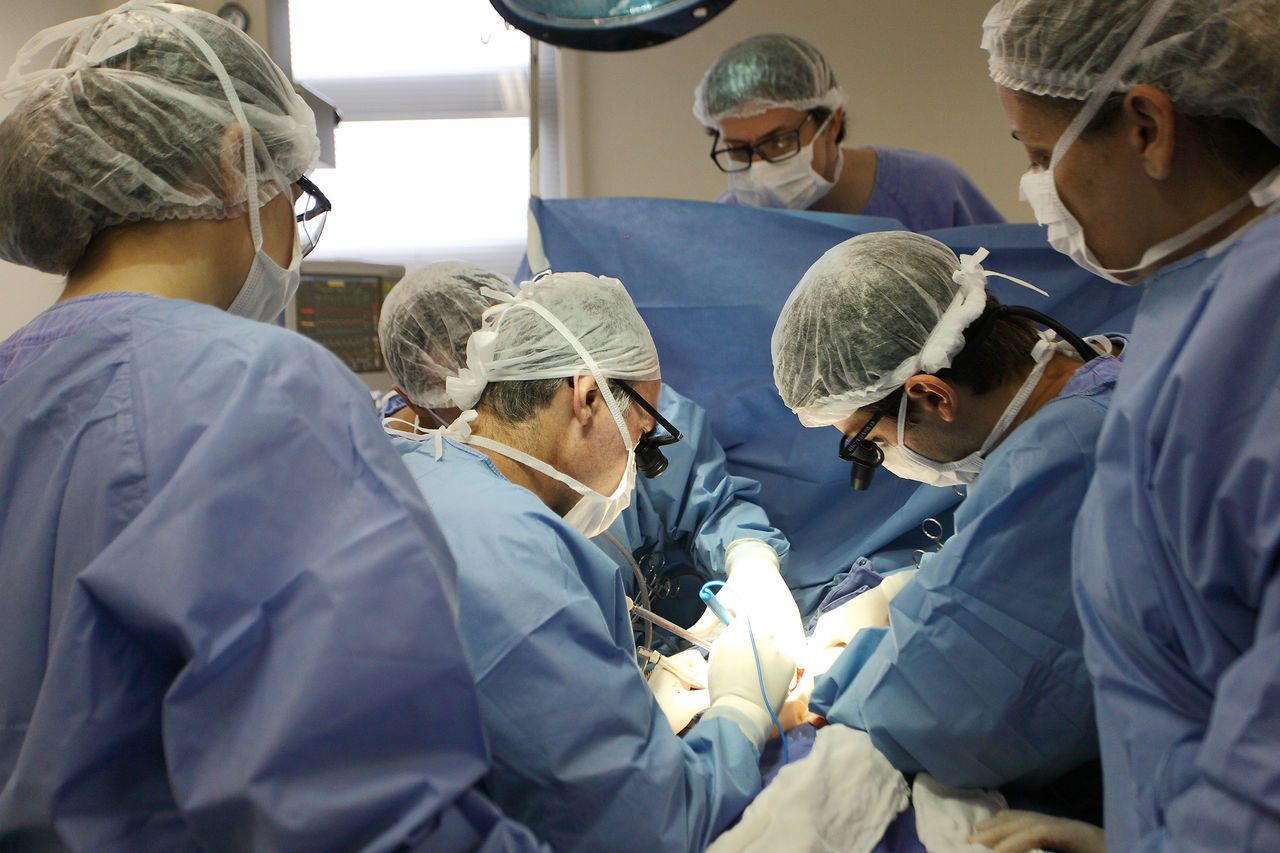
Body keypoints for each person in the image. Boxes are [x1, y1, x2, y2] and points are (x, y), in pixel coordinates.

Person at [0, 4, 544, 850]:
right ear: (233, 162)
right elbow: (371, 816)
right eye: (298, 190)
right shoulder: (257, 391)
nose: (296, 229)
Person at [981, 0, 1280, 849]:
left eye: (1041, 154)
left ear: (1148, 124)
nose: (1039, 188)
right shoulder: (1197, 298)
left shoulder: (1259, 327)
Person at [384, 270, 796, 853]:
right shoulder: (512, 554)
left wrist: (751, 557)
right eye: (643, 435)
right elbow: (650, 825)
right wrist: (742, 712)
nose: (642, 456)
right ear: (586, 396)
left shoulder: (422, 470)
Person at [770, 231, 1122, 799]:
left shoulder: (1059, 462)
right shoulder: (1101, 366)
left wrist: (832, 677)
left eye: (870, 441)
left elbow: (957, 719)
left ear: (934, 395)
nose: (879, 461)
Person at [376, 261, 793, 640]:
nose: (490, 411)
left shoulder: (626, 412)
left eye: (492, 384)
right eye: (461, 400)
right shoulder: (441, 514)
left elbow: (710, 501)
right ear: (413, 404)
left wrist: (750, 558)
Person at [691, 33, 1005, 230]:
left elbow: (1013, 293)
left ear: (832, 124)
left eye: (780, 141)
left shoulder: (927, 189)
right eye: (737, 149)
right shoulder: (727, 225)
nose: (758, 169)